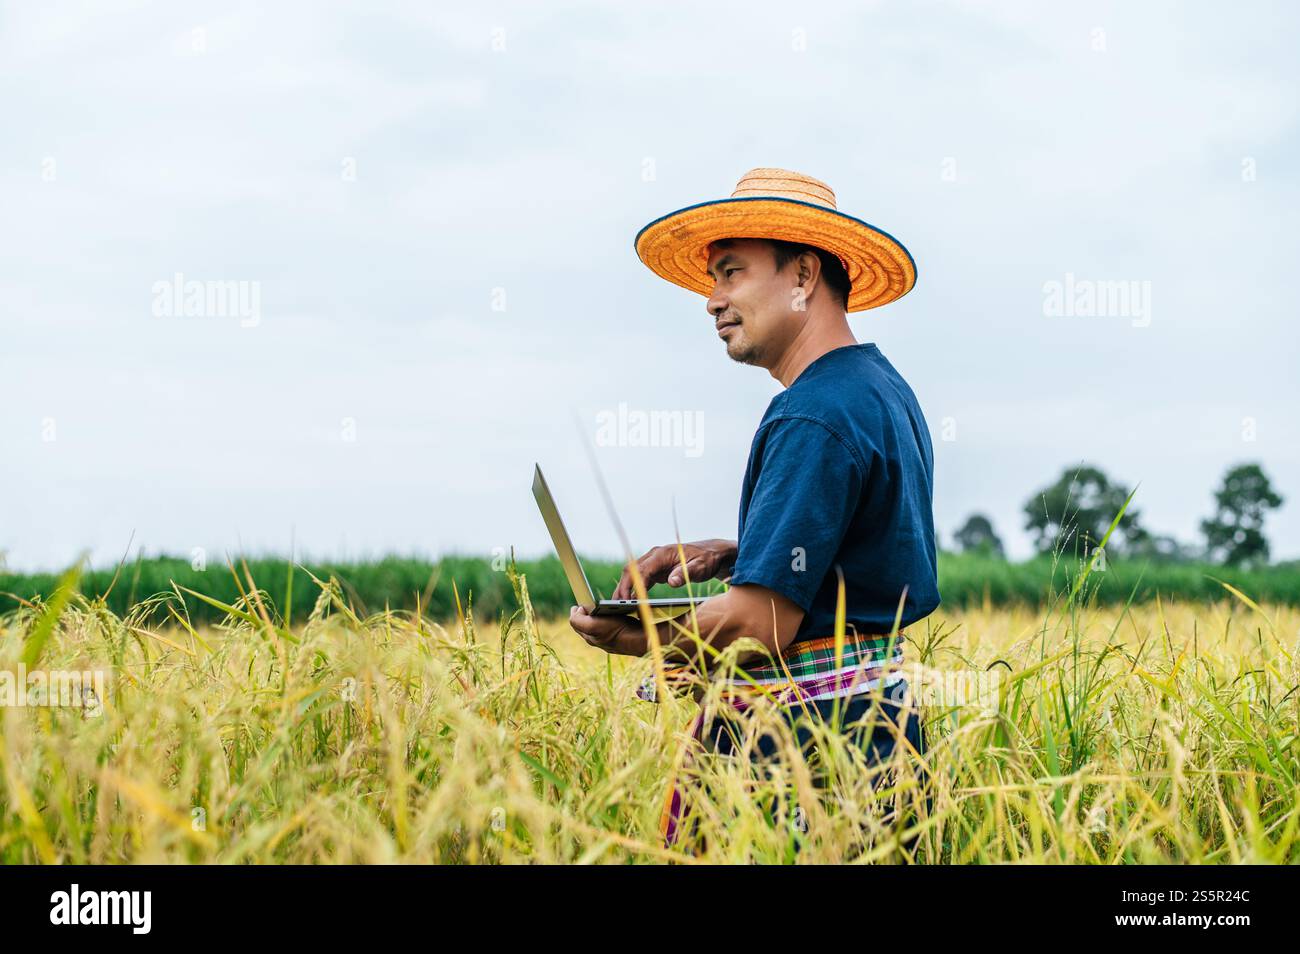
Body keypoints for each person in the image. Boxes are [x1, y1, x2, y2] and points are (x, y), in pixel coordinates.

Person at [568, 168, 940, 850]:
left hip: (807, 748)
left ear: (802, 275)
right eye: (713, 279)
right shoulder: (881, 390)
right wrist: (745, 552)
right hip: (881, 735)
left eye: (732, 273)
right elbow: (867, 548)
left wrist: (640, 635)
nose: (712, 301)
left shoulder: (812, 414)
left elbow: (759, 623)